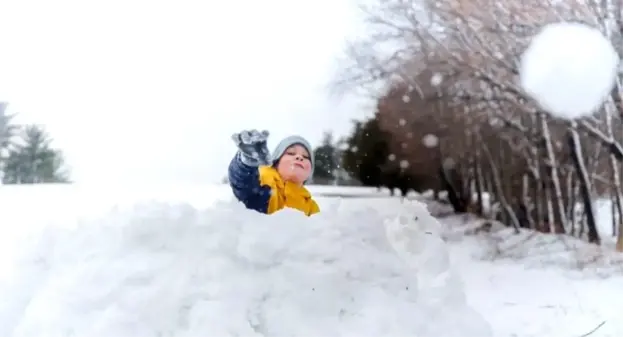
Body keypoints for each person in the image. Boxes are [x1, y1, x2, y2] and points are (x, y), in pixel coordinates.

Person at [228, 129, 320, 216]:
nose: (300, 157)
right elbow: (243, 185)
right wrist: (246, 165)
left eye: (306, 156)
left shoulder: (311, 208)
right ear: (276, 163)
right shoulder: (263, 184)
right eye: (291, 153)